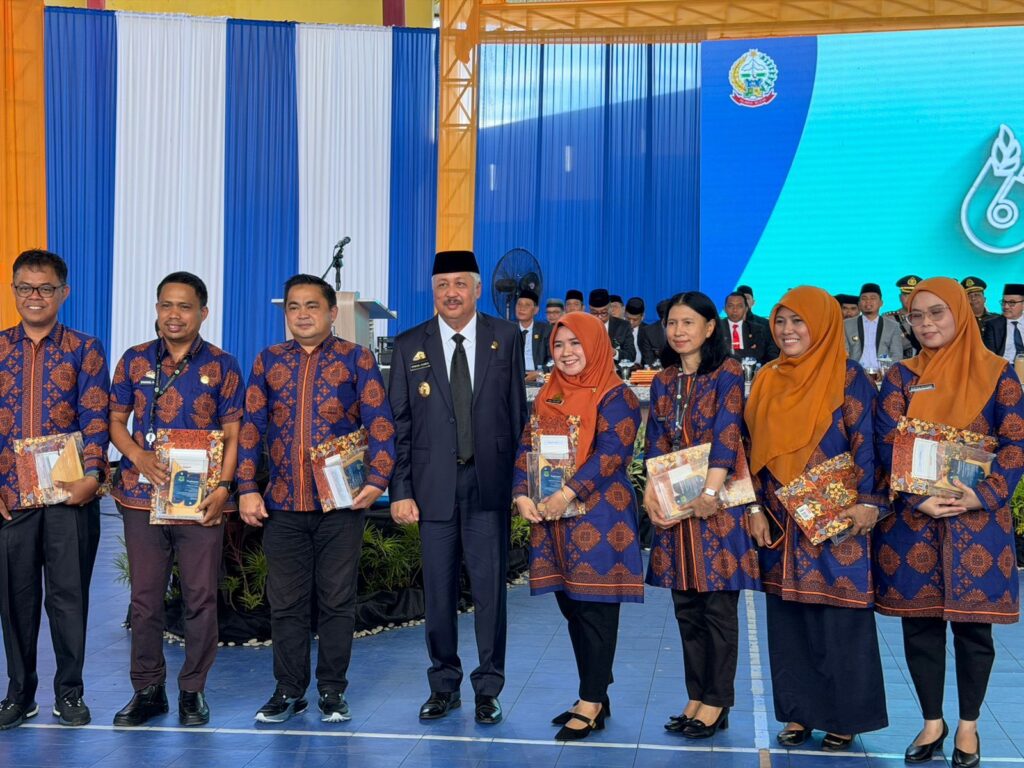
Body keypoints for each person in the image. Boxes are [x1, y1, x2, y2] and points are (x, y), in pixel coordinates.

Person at [873, 277, 1024, 768]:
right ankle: (932, 722)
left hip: (978, 525)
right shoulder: (902, 376)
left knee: (975, 631)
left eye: (937, 313)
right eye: (916, 316)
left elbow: (1015, 442)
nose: (926, 324)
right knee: (920, 627)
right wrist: (918, 499)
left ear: (960, 313)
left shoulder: (999, 373)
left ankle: (968, 727)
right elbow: (886, 441)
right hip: (915, 525)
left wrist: (983, 495)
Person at [238, 274, 396, 724]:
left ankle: (331, 690)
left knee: (336, 601)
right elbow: (251, 427)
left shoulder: (357, 358)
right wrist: (246, 487)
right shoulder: (268, 360)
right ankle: (289, 690)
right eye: (294, 307)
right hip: (283, 504)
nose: (302, 314)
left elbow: (381, 424)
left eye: (312, 306)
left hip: (341, 505)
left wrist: (378, 479)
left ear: (331, 312)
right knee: (286, 604)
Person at [745, 286, 888, 752]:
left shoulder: (848, 377)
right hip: (780, 517)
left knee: (840, 616)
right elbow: (749, 447)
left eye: (798, 321)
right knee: (789, 618)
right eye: (781, 321)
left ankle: (845, 717)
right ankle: (799, 712)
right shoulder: (767, 378)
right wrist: (754, 508)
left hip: (837, 517)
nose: (787, 330)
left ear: (823, 325)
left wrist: (868, 501)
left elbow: (868, 441)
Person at [388, 250, 526, 724]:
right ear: (433, 291)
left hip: (489, 483)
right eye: (442, 285)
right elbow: (399, 424)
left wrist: (520, 482)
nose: (451, 293)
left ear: (478, 289)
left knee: (490, 593)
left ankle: (489, 688)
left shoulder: (506, 337)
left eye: (460, 284)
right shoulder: (409, 344)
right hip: (433, 488)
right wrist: (401, 489)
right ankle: (443, 684)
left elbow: (517, 413)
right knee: (439, 592)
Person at [108, 271, 243, 727]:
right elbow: (115, 421)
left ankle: (192, 691)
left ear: (203, 313)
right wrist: (137, 456)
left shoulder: (223, 365)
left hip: (200, 500)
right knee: (145, 600)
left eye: (185, 307)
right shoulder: (134, 360)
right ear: (156, 309)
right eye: (166, 305)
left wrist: (224, 488)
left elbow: (233, 433)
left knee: (200, 598)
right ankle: (147, 690)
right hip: (140, 498)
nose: (174, 314)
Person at [512, 312, 643, 740]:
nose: (566, 353)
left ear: (596, 346)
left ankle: (590, 699)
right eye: (559, 344)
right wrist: (522, 493)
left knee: (595, 610)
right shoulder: (548, 392)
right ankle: (595, 694)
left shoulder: (617, 395)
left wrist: (566, 494)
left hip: (600, 515)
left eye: (576, 343)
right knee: (572, 607)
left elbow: (611, 453)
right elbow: (528, 445)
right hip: (553, 518)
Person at [643, 292, 761, 739]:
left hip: (718, 506)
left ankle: (717, 701)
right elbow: (656, 439)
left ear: (710, 328)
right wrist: (652, 491)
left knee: (717, 608)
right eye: (673, 323)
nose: (679, 331)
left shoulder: (727, 373)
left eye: (688, 323)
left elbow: (728, 433)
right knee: (686, 608)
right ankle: (696, 695)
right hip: (676, 507)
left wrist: (710, 492)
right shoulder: (663, 380)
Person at [0, 249, 110, 730]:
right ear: (13, 291)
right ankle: (18, 694)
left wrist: (92, 478)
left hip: (70, 496)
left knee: (69, 598)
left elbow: (96, 418)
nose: (35, 296)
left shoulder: (85, 348)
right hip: (11, 499)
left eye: (46, 288)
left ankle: (70, 693)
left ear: (64, 292)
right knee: (15, 601)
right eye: (25, 287)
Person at [843, 282, 904, 367]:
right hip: (856, 372)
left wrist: (886, 371)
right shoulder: (846, 325)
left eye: (873, 298)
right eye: (864, 298)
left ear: (881, 303)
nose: (868, 301)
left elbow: (897, 355)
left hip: (883, 372)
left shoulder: (893, 326)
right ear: (859, 304)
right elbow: (844, 353)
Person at [723, 291, 778, 365]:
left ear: (746, 309)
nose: (735, 310)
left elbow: (761, 355)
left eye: (739, 306)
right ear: (724, 309)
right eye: (730, 306)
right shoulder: (716, 329)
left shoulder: (758, 330)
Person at [588, 289, 636, 366]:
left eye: (603, 313)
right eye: (595, 313)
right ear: (589, 310)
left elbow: (631, 355)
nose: (599, 317)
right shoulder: (584, 325)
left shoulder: (623, 326)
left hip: (615, 370)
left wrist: (614, 353)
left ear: (610, 308)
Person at [981, 282, 1024, 362]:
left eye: (1012, 303)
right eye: (1004, 302)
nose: (1006, 307)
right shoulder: (993, 325)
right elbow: (990, 356)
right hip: (1005, 366)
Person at [515, 289, 551, 383]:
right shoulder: (508, 330)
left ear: (535, 310)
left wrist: (540, 372)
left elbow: (553, 359)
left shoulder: (546, 330)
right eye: (519, 304)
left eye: (527, 305)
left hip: (539, 378)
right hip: (514, 377)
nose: (521, 308)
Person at [884, 275, 922, 356]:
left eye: (913, 295)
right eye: (906, 295)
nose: (910, 299)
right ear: (900, 297)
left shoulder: (929, 318)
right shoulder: (888, 319)